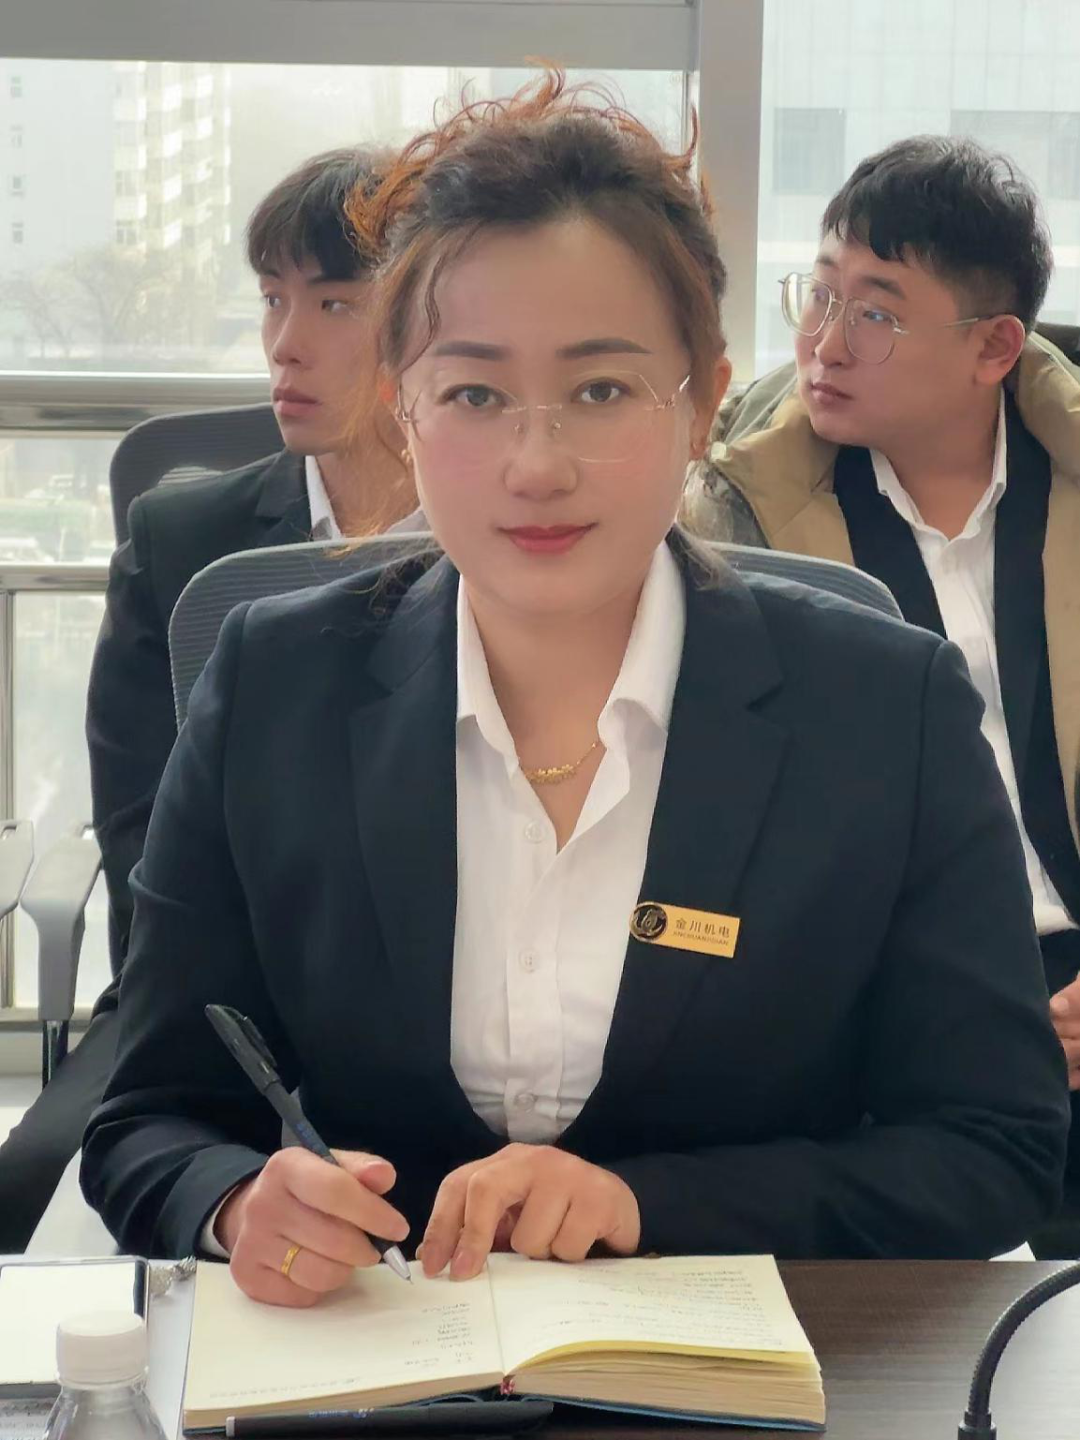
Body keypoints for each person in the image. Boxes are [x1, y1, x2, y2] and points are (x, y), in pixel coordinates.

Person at [81, 75, 1067, 1301]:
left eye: (602, 390)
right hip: (374, 1357)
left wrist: (646, 1208)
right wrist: (236, 1203)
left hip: (760, 1371)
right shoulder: (272, 688)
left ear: (702, 403)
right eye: (474, 394)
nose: (536, 464)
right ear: (402, 409)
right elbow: (147, 1118)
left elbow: (994, 1150)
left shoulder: (885, 711)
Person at [0, 146, 423, 1254]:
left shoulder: (513, 545)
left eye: (335, 302)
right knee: (33, 1185)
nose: (286, 342)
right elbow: (142, 838)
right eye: (274, 299)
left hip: (443, 1021)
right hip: (215, 1004)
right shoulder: (184, 540)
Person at [684, 136, 1080, 1252]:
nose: (823, 342)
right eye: (821, 293)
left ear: (995, 347)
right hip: (899, 991)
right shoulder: (739, 519)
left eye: (876, 313)